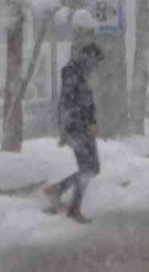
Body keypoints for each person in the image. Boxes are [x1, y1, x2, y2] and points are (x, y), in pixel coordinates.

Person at [44, 42, 104, 223]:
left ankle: (58, 190)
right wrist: (74, 127)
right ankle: (73, 207)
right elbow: (69, 103)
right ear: (88, 58)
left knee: (92, 168)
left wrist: (92, 123)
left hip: (83, 128)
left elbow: (87, 104)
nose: (96, 66)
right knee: (88, 168)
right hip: (77, 129)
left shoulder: (82, 75)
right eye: (95, 61)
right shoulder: (72, 73)